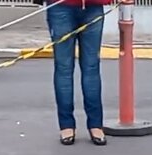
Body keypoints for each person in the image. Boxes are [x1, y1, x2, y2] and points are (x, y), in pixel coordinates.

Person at [48, 0, 112, 146]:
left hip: (93, 6)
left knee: (91, 66)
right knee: (64, 67)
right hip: (60, 6)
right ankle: (66, 125)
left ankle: (95, 124)